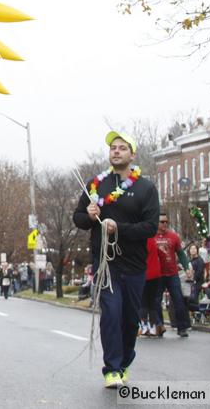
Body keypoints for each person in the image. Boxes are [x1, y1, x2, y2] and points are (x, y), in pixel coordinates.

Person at [73, 130, 159, 389]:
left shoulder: (145, 187)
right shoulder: (96, 185)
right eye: (113, 148)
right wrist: (89, 215)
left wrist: (118, 228)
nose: (117, 151)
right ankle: (111, 368)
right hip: (106, 264)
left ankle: (123, 362)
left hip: (134, 264)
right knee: (111, 312)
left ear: (132, 154)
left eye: (122, 147)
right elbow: (77, 219)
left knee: (130, 318)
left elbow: (151, 227)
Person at [154, 212, 192, 337]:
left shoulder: (173, 236)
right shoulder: (151, 235)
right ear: (157, 222)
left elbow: (181, 253)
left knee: (178, 299)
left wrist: (187, 267)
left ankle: (182, 327)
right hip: (158, 274)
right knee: (157, 300)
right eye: (162, 222)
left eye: (166, 222)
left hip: (172, 273)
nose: (164, 224)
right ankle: (159, 326)